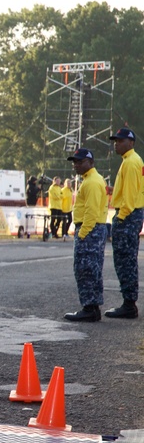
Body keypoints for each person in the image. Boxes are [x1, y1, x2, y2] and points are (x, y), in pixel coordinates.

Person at [63, 149, 108, 322]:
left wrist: (82, 233)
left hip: (89, 229)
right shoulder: (91, 180)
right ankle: (92, 308)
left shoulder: (91, 182)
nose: (76, 165)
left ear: (90, 162)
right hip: (92, 229)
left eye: (80, 162)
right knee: (92, 269)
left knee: (85, 269)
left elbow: (91, 211)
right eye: (74, 162)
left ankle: (89, 308)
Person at [104, 128, 144, 319]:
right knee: (126, 260)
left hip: (128, 215)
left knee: (125, 261)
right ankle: (129, 303)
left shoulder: (131, 162)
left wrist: (121, 218)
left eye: (120, 141)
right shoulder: (131, 160)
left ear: (130, 142)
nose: (116, 144)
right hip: (131, 214)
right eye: (115, 141)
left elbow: (129, 195)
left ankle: (129, 305)